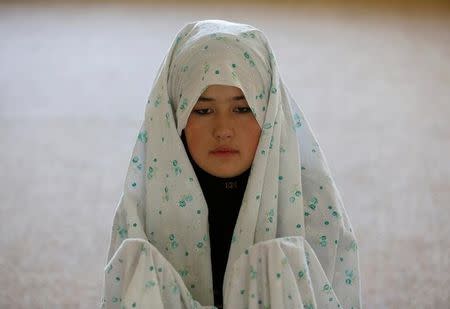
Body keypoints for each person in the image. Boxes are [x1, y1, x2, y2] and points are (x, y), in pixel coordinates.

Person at [101, 19, 362, 309]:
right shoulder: (146, 204)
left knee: (280, 258)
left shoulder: (309, 203)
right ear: (175, 116)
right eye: (202, 110)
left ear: (270, 113)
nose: (223, 129)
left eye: (242, 108)